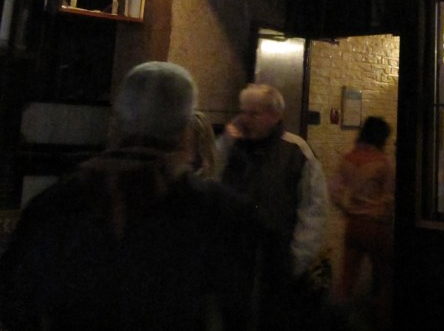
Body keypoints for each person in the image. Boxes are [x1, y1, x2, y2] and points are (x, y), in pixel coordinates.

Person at [0, 61, 260, 331]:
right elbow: (240, 310)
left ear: (118, 122)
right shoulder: (222, 214)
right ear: (186, 130)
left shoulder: (57, 203)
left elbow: (17, 300)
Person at [216, 83, 330, 330]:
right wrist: (225, 142)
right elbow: (211, 178)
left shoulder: (295, 150)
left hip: (276, 260)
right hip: (233, 258)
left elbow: (313, 207)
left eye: (254, 113)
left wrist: (296, 259)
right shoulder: (232, 146)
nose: (245, 119)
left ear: (274, 115)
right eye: (243, 112)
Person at [329, 116, 395, 331]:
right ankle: (381, 322)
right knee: (384, 278)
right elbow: (389, 196)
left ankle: (336, 321)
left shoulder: (347, 159)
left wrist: (346, 209)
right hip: (376, 224)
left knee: (347, 278)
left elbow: (334, 191)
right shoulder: (382, 162)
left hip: (353, 223)